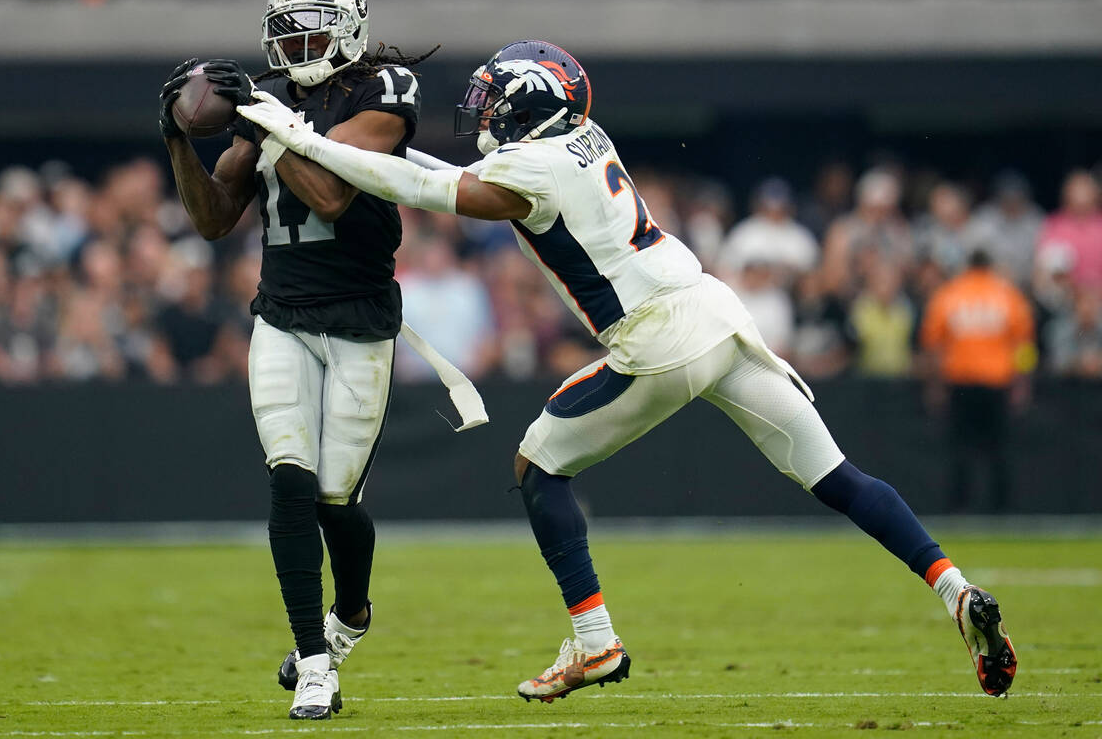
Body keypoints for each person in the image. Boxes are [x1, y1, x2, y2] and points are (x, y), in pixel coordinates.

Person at [237, 39, 1019, 703]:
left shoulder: (531, 170)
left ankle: (596, 642)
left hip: (655, 339)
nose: (487, 113)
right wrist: (348, 143)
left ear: (530, 105)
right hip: (717, 312)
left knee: (538, 466)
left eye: (498, 100)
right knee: (838, 475)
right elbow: (427, 171)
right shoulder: (585, 136)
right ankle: (955, 589)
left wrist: (297, 135)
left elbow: (424, 189)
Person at [159, 0, 431, 720]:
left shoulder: (385, 91)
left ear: (349, 30)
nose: (297, 48)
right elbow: (214, 217)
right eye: (286, 36)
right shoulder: (268, 102)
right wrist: (176, 138)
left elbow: (334, 193)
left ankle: (353, 612)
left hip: (360, 319)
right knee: (289, 481)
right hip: (281, 313)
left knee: (338, 500)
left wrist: (270, 120)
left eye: (311, 33)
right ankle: (315, 662)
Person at [920, 248, 1036, 513]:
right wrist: (1022, 382)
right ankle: (1001, 509)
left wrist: (934, 385)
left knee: (959, 448)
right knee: (999, 449)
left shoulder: (950, 294)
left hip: (960, 382)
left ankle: (959, 508)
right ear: (990, 266)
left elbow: (932, 344)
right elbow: (1024, 345)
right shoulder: (1007, 295)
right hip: (997, 383)